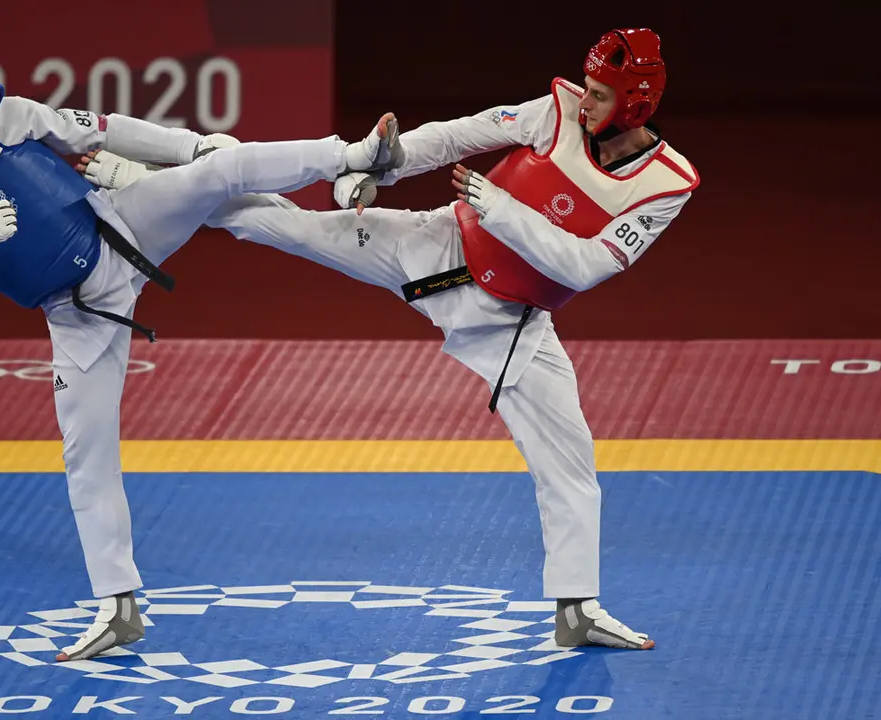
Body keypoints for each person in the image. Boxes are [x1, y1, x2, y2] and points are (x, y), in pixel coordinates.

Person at [81, 28, 698, 651]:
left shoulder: (664, 184)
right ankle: (144, 173)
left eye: (600, 95)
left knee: (571, 465)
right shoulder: (557, 111)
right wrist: (383, 164)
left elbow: (584, 266)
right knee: (286, 227)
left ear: (636, 102)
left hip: (515, 325)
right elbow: (459, 134)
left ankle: (578, 610)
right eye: (587, 89)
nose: (586, 102)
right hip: (441, 256)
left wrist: (501, 208)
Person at [0, 34, 404, 661]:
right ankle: (118, 607)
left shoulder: (7, 115)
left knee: (221, 171)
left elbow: (104, 129)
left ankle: (357, 156)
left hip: (121, 226)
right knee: (86, 455)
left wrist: (190, 146)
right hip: (76, 315)